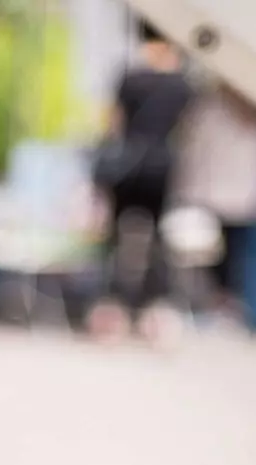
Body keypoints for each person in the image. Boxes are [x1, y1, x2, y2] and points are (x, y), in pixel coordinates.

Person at [89, 20, 193, 343]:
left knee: (117, 239)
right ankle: (155, 307)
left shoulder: (131, 78)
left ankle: (113, 307)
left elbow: (112, 124)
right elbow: (186, 132)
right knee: (158, 243)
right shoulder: (182, 85)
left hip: (126, 167)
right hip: (162, 169)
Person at [173, 84, 256, 318]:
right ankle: (223, 302)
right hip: (221, 195)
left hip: (228, 195)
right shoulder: (212, 105)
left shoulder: (225, 107)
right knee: (222, 254)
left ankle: (227, 303)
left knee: (232, 255)